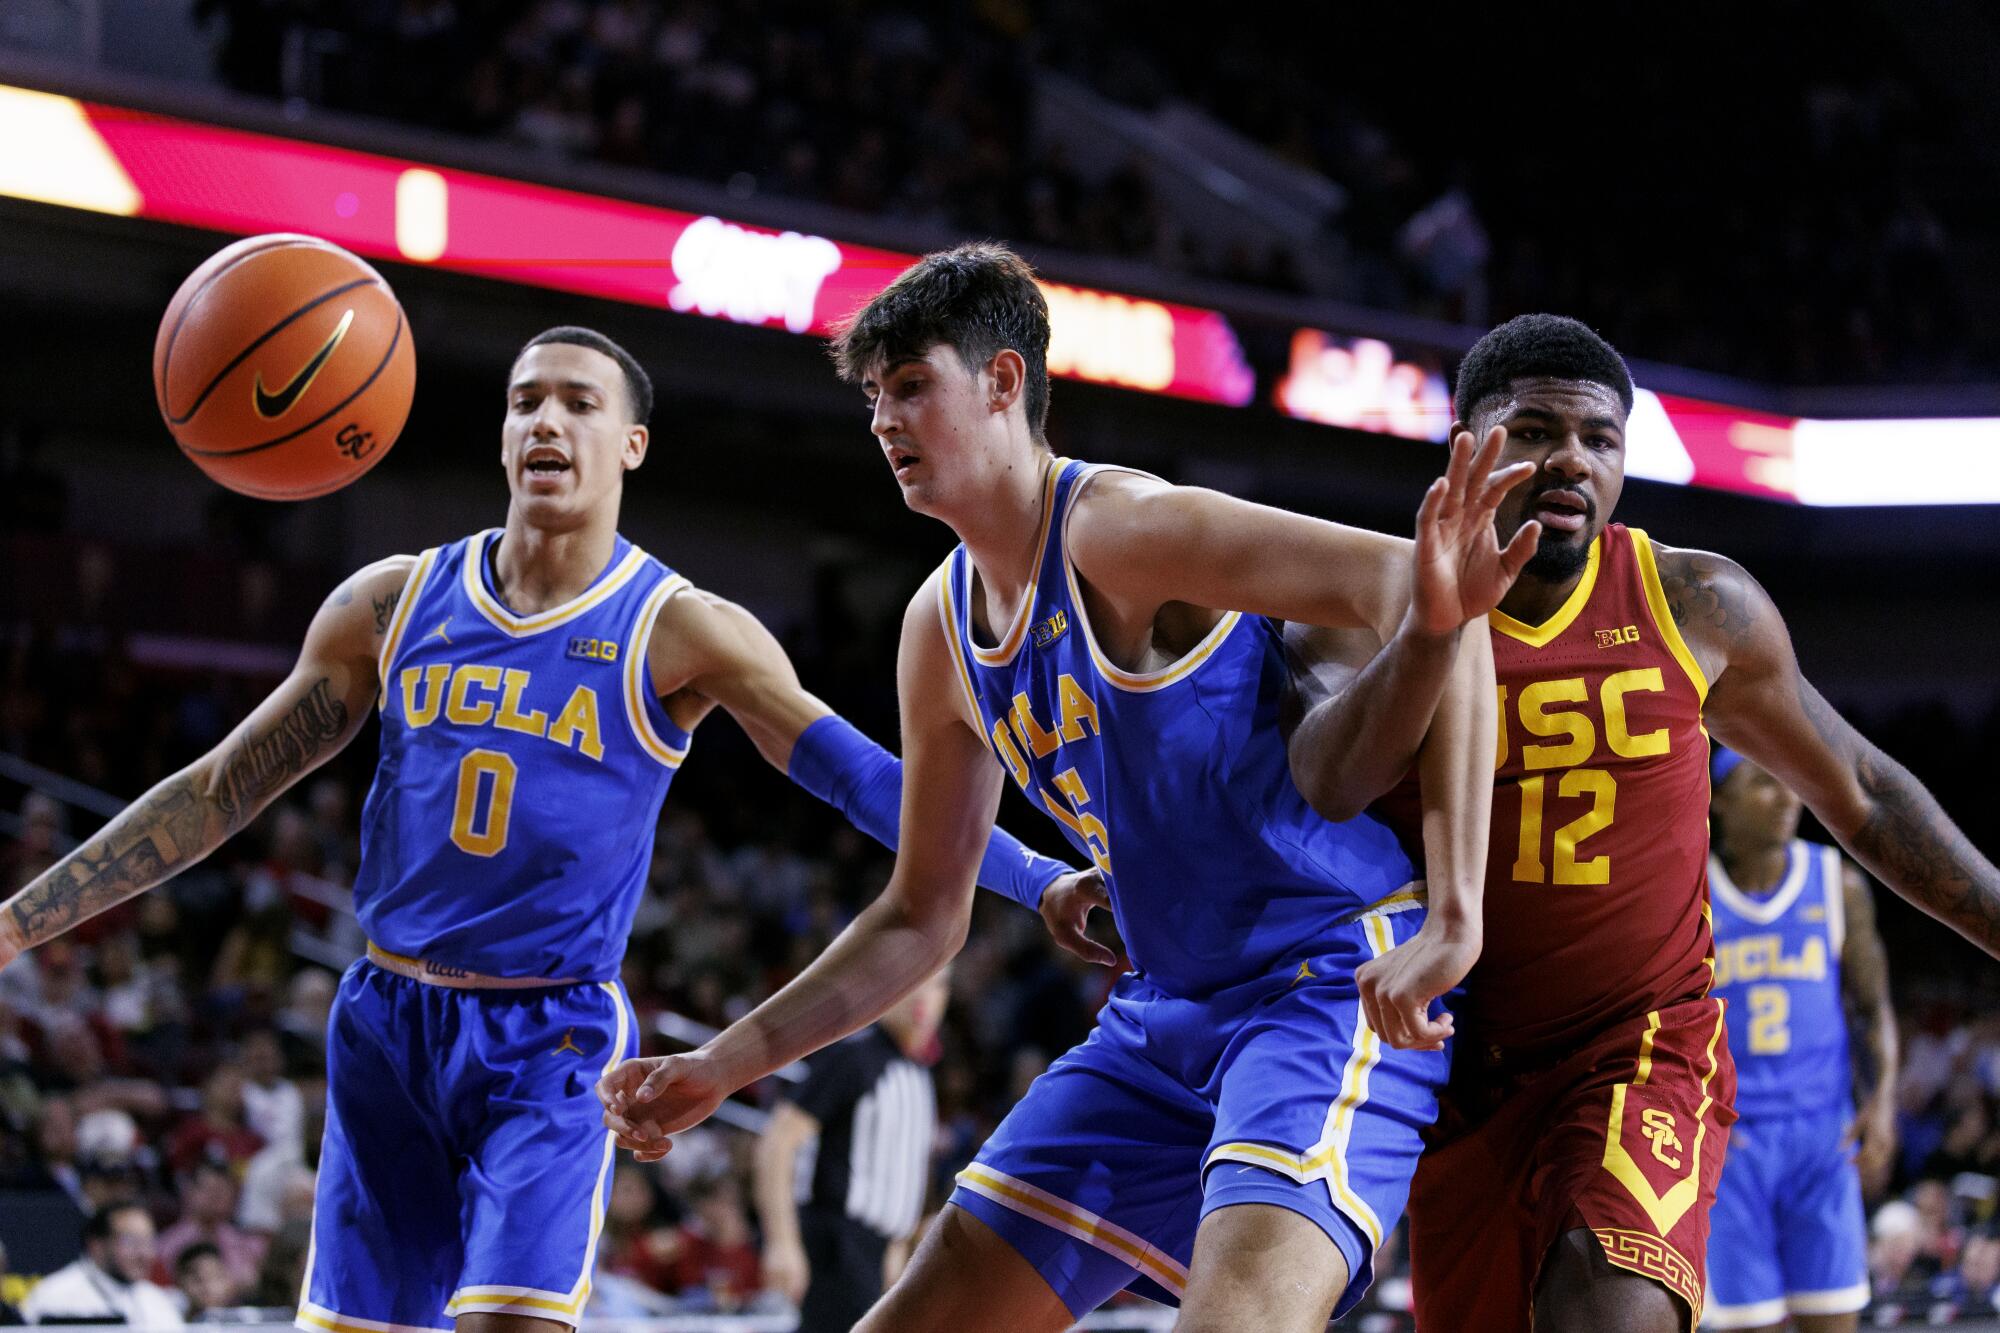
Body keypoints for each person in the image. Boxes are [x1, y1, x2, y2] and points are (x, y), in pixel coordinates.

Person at [0, 325, 1091, 1333]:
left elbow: (864, 779)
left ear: (631, 442)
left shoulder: (681, 629)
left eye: (576, 402)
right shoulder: (393, 602)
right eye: (525, 402)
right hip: (385, 1017)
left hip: (549, 1039)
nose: (544, 423)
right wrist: (19, 921)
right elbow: (219, 789)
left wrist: (1035, 875)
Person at [601, 242, 1541, 1331]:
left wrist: (1457, 913)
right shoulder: (936, 630)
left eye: (912, 385)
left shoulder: (1120, 530)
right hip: (1160, 1014)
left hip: (1322, 981)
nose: (882, 421)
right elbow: (919, 915)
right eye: (871, 395)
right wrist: (724, 1064)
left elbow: (1423, 588)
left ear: (1004, 384)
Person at [1285, 313, 2000, 1332]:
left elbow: (1862, 789)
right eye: (1531, 431)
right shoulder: (1363, 599)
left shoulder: (1693, 599)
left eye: (1597, 438)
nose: (1568, 457)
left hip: (1637, 1046)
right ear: (1467, 447)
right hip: (1450, 1070)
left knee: (1605, 1302)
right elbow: (1327, 780)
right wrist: (1429, 630)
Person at [1702, 747, 1895, 1332]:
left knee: (1833, 1319)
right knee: (1748, 1322)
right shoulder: (1693, 896)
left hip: (1822, 1139)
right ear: (1720, 801)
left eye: (1790, 782)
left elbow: (1872, 1009)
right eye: (1764, 783)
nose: (1788, 796)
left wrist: (1881, 1108)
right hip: (1734, 1147)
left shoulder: (1837, 884)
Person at [754, 967, 948, 1331]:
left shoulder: (919, 1073)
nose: (923, 998)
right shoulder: (855, 1056)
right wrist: (782, 1241)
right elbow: (778, 1140)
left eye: (936, 985)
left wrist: (895, 1246)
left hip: (877, 1254)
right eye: (913, 983)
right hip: (835, 1247)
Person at [18, 1201, 184, 1327]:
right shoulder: (54, 1296)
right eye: (131, 1242)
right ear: (96, 1245)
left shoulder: (156, 1300)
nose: (144, 1254)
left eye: (148, 1242)